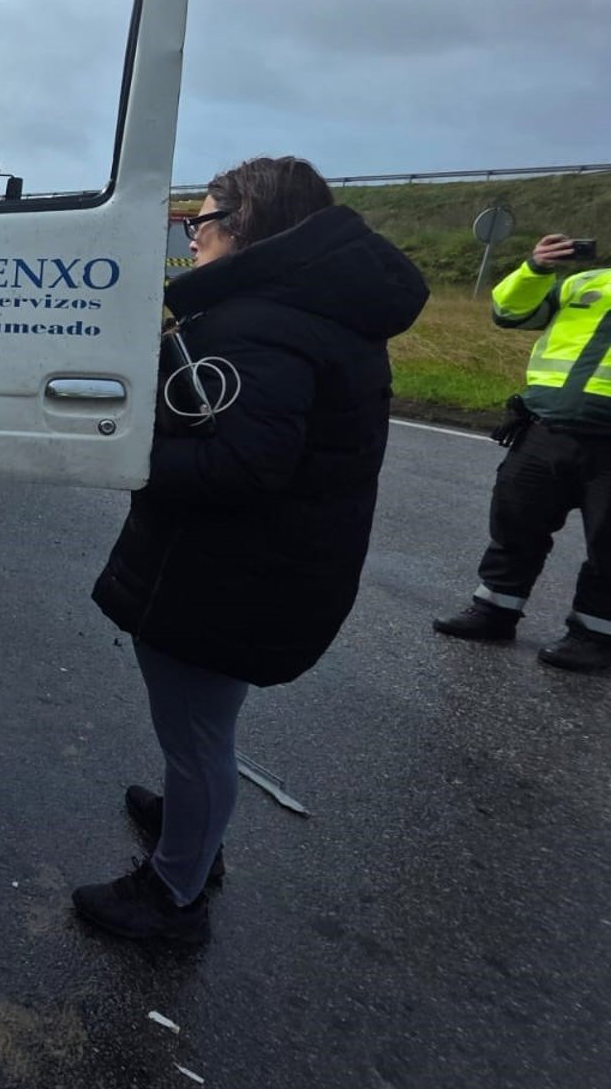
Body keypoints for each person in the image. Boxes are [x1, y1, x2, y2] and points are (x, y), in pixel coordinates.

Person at [80, 156, 426, 943]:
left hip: (228, 575)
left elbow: (242, 465)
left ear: (242, 230)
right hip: (261, 569)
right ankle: (191, 831)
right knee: (204, 727)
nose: (191, 240)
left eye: (199, 224)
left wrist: (117, 454)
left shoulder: (262, 322)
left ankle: (174, 894)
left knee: (198, 734)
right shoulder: (310, 311)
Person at [433, 235, 611, 673]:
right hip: (546, 428)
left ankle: (594, 634)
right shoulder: (584, 281)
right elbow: (509, 313)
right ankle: (494, 611)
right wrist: (535, 268)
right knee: (514, 523)